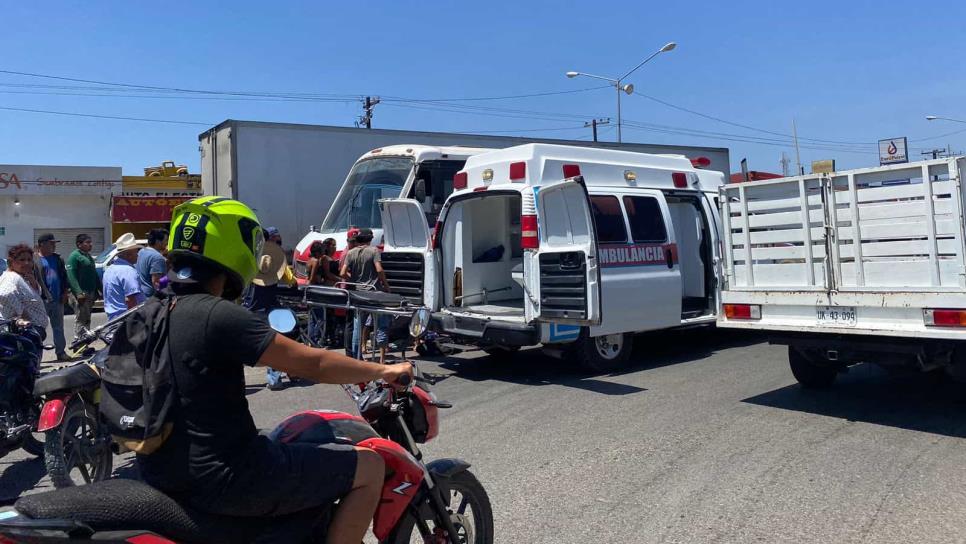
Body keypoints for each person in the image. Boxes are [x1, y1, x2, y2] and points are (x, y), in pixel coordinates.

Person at [139, 196, 412, 544]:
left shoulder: (150, 312)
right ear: (234, 247)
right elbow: (314, 362)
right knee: (371, 467)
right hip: (227, 478)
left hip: (163, 472)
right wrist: (382, 370)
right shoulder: (218, 315)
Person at [340, 228, 390, 363]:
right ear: (370, 239)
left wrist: (354, 280)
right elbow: (379, 269)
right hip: (373, 293)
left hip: (357, 294)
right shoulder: (374, 251)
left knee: (358, 326)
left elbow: (342, 273)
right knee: (381, 324)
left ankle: (357, 358)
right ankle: (382, 359)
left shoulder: (351, 253)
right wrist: (386, 286)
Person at [36, 233, 70, 360]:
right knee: (38, 329)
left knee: (58, 328)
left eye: (54, 243)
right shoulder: (34, 260)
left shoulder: (58, 259)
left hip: (57, 299)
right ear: (42, 245)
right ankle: (38, 357)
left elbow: (64, 277)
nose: (54, 245)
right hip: (41, 300)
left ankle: (61, 353)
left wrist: (65, 292)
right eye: (51, 243)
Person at [0, 244, 49, 329]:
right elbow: (5, 294)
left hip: (30, 332)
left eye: (29, 260)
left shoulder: (22, 276)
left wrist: (33, 282)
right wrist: (23, 314)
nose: (27, 263)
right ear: (10, 262)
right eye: (21, 260)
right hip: (21, 332)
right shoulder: (12, 277)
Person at [102, 233, 146, 320]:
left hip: (113, 319)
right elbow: (130, 300)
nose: (137, 255)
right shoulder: (128, 271)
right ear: (128, 255)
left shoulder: (110, 269)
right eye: (135, 253)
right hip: (125, 320)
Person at [65, 234, 100, 341]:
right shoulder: (74, 256)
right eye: (87, 242)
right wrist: (79, 292)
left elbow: (94, 274)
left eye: (91, 242)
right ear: (79, 244)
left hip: (90, 293)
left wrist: (99, 288)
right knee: (81, 319)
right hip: (80, 294)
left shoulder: (88, 256)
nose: (90, 245)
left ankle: (85, 341)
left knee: (87, 318)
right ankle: (78, 341)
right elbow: (71, 276)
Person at [137, 228, 169, 297]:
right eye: (166, 240)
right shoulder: (157, 258)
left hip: (141, 295)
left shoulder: (142, 251)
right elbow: (157, 283)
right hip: (151, 299)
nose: (167, 243)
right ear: (158, 242)